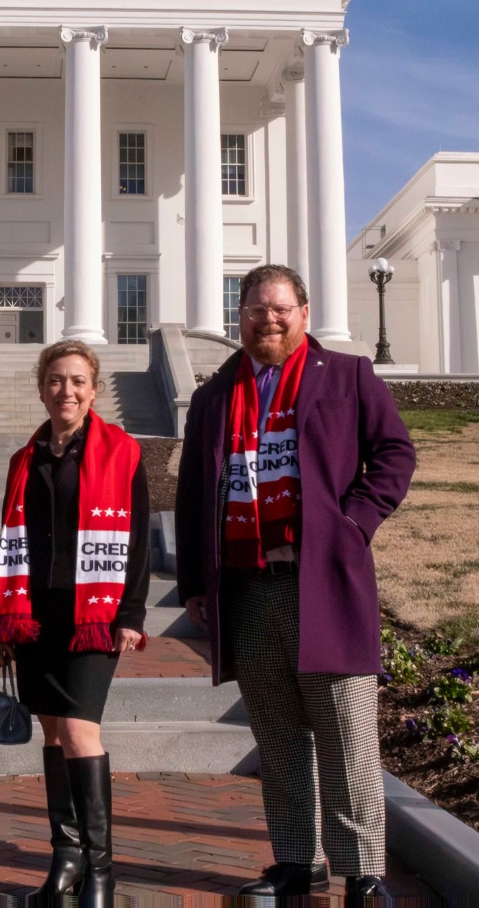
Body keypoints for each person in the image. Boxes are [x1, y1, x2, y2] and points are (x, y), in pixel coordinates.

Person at [175, 264, 415, 904]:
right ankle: (295, 861)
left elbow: (395, 454)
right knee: (277, 737)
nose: (268, 319)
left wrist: (354, 523)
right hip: (248, 587)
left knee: (346, 734)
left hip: (323, 582)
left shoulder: (347, 376)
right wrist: (196, 580)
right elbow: (196, 491)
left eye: (280, 308)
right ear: (240, 317)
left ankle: (363, 871)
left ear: (303, 313)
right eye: (255, 309)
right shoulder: (214, 396)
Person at [0, 340, 149, 908]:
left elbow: (137, 542)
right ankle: (66, 856)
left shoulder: (122, 453)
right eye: (56, 380)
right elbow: (11, 543)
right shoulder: (25, 460)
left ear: (94, 389)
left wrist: (131, 613)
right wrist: (4, 625)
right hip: (35, 617)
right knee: (52, 733)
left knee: (81, 732)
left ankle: (102, 871)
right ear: (42, 387)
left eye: (78, 381)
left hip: (93, 615)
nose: (67, 391)